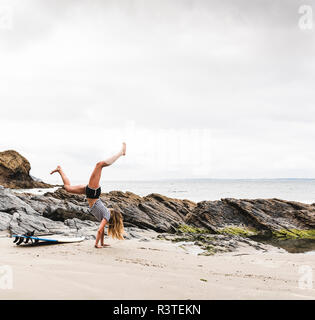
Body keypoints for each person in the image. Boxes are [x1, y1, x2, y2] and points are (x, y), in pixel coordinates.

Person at [50, 142, 126, 248]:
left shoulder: (105, 216)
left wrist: (102, 244)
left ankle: (60, 170)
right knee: (99, 165)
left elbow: (101, 230)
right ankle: (121, 152)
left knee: (68, 188)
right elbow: (100, 230)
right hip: (93, 193)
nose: (110, 209)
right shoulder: (106, 215)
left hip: (90, 192)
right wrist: (96, 245)